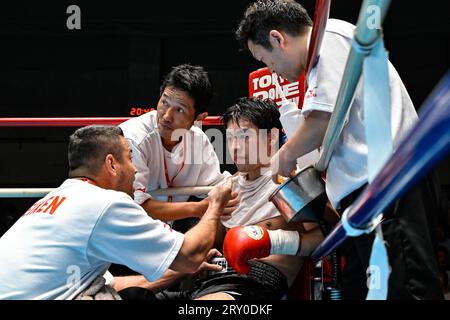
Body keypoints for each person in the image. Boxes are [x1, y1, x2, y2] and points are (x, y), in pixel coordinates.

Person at [233, 0, 443, 299]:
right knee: (363, 289)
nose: (274, 72)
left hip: (387, 185)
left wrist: (286, 154)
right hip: (367, 196)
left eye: (266, 61)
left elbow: (321, 120)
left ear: (278, 39)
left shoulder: (330, 37)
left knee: (405, 289)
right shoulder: (323, 58)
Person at [114, 97, 324, 300]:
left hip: (254, 283)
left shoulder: (287, 180)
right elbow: (197, 249)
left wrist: (273, 241)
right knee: (129, 296)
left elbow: (323, 237)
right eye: (231, 138)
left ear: (271, 137)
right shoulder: (226, 189)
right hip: (209, 282)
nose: (236, 146)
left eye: (245, 136)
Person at [0, 125, 235, 299]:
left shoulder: (57, 199)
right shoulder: (105, 203)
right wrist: (215, 204)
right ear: (112, 164)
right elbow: (189, 255)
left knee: (131, 295)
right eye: (130, 158)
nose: (135, 170)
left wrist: (177, 272)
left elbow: (117, 284)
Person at [119, 64, 235, 223]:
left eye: (179, 110)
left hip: (163, 232)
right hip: (124, 231)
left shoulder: (198, 140)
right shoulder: (132, 138)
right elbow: (133, 206)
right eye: (164, 102)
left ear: (200, 117)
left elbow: (216, 187)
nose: (166, 116)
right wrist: (198, 208)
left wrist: (246, 180)